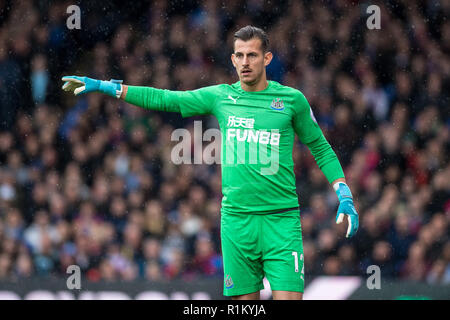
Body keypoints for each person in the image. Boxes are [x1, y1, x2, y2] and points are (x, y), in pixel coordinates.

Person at [61, 25, 359, 300]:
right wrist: (108, 87)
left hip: (280, 221)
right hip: (236, 222)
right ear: (232, 59)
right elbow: (168, 100)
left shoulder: (291, 100)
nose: (245, 62)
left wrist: (343, 191)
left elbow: (319, 147)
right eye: (239, 55)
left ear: (267, 58)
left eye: (252, 55)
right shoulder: (221, 96)